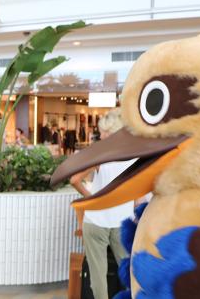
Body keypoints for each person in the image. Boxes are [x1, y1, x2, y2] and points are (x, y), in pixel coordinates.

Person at [69, 108, 143, 299]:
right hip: (121, 222)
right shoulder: (134, 157)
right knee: (128, 272)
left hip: (96, 221)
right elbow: (137, 193)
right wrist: (134, 214)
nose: (100, 135)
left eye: (103, 131)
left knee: (98, 277)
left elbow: (74, 179)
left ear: (112, 133)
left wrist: (92, 199)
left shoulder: (101, 156)